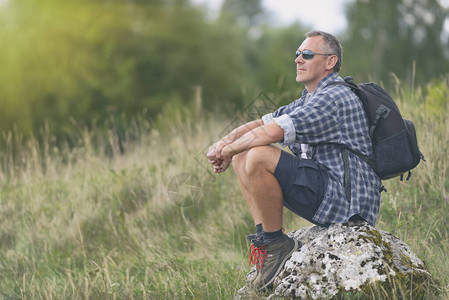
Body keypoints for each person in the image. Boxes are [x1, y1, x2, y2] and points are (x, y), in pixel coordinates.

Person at [207, 30, 382, 292]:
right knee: (245, 153)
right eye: (297, 54)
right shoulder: (309, 98)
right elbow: (263, 122)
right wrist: (224, 144)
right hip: (326, 189)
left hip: (348, 205)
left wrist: (228, 149)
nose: (298, 59)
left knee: (257, 154)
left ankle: (278, 245)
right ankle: (269, 246)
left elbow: (271, 133)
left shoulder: (333, 97)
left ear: (330, 62)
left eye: (307, 54)